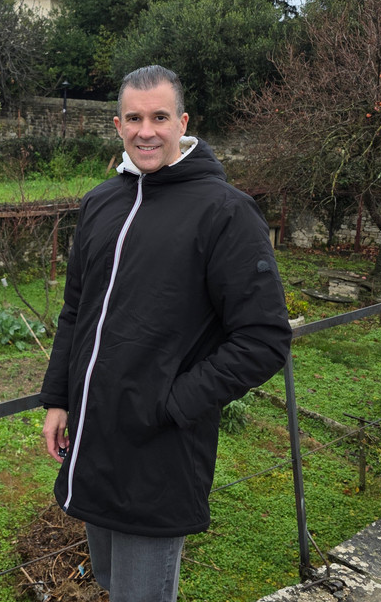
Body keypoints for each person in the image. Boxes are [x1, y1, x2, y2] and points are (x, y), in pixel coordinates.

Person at [40, 65, 292, 601]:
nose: (146, 131)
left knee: (142, 595)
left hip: (161, 449)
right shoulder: (100, 203)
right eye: (134, 119)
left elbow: (263, 339)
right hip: (95, 439)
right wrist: (58, 398)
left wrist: (172, 403)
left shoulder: (225, 212)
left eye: (159, 117)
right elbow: (76, 311)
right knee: (111, 582)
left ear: (183, 122)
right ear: (117, 125)